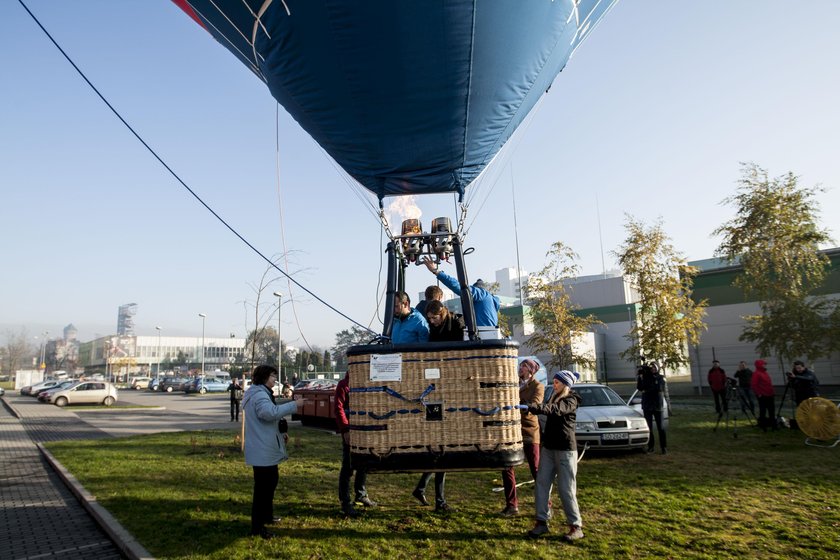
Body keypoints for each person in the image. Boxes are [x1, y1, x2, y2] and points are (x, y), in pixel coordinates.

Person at [242, 364, 303, 539]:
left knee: (270, 482)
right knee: (263, 489)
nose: (275, 380)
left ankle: (266, 517)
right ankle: (257, 527)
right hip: (262, 448)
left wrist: (281, 430)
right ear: (263, 377)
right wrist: (294, 405)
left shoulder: (257, 392)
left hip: (263, 446)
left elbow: (270, 413)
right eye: (272, 376)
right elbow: (268, 413)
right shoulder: (260, 394)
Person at [527, 370, 584, 542]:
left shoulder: (571, 400)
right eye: (554, 381)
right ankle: (541, 522)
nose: (555, 384)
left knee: (566, 489)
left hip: (565, 450)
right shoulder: (553, 396)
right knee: (542, 484)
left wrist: (536, 407)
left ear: (566, 384)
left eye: (558, 382)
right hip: (549, 449)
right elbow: (549, 407)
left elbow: (556, 410)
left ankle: (576, 526)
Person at [500, 358, 544, 516]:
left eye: (524, 366)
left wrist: (523, 406)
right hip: (511, 430)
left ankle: (546, 506)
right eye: (520, 365)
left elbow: (536, 404)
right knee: (507, 467)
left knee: (536, 469)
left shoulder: (538, 386)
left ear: (531, 370)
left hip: (529, 431)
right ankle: (512, 505)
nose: (520, 368)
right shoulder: (512, 383)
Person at [335, 372, 376, 517]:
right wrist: (345, 430)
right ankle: (345, 502)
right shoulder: (344, 385)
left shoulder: (366, 382)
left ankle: (361, 494)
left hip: (364, 429)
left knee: (363, 462)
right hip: (351, 430)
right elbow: (338, 408)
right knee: (348, 466)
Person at [424, 260, 500, 328]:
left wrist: (436, 271)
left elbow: (458, 287)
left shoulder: (481, 294)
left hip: (482, 336)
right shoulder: (491, 304)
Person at [751, 359, 776, 431]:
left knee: (772, 410)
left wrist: (772, 392)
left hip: (770, 394)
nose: (765, 365)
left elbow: (768, 383)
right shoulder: (756, 373)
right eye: (763, 364)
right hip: (763, 395)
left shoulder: (765, 372)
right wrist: (759, 394)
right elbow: (754, 385)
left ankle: (773, 425)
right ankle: (763, 425)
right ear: (759, 365)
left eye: (765, 364)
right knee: (763, 411)